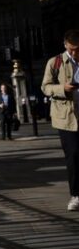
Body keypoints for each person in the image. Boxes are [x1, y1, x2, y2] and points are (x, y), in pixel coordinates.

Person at [41, 29, 79, 212]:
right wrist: (62, 88)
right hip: (66, 118)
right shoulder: (55, 63)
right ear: (65, 45)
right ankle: (76, 194)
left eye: (77, 49)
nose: (74, 53)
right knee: (73, 156)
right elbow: (45, 87)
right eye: (71, 49)